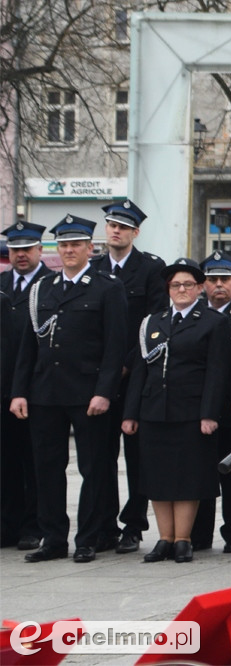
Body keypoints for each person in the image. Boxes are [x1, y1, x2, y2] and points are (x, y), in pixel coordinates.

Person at [10, 215, 127, 563]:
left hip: (87, 392)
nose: (69, 250)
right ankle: (53, 538)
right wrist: (20, 391)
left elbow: (115, 345)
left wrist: (104, 391)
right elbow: (28, 346)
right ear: (56, 250)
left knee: (93, 467)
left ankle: (89, 537)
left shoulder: (107, 287)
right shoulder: (42, 289)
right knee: (47, 467)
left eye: (76, 244)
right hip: (45, 392)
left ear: (91, 248)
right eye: (63, 245)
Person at [122, 258, 230, 563]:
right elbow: (141, 371)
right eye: (175, 285)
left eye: (187, 284)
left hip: (191, 412)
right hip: (155, 410)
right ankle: (164, 539)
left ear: (199, 288)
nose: (181, 289)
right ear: (167, 289)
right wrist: (131, 413)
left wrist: (209, 413)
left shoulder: (212, 321)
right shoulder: (152, 322)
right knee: (157, 477)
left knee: (186, 478)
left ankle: (183, 539)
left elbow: (216, 371)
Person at [90, 199, 167, 555]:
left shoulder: (151, 269)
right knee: (99, 456)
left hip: (136, 376)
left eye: (122, 226)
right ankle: (103, 523)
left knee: (137, 455)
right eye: (111, 224)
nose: (115, 231)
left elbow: (153, 324)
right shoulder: (94, 269)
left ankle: (133, 525)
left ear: (135, 232)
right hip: (99, 378)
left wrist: (126, 364)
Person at [189, 251, 231, 553]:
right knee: (202, 472)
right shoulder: (197, 312)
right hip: (201, 406)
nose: (218, 285)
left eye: (224, 279)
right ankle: (200, 535)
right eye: (212, 280)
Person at [0, 222, 52, 551]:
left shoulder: (51, 284)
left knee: (36, 461)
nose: (20, 254)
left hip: (40, 387)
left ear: (39, 250)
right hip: (5, 387)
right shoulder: (2, 284)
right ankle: (8, 525)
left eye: (26, 249)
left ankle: (34, 524)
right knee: (6, 462)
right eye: (15, 249)